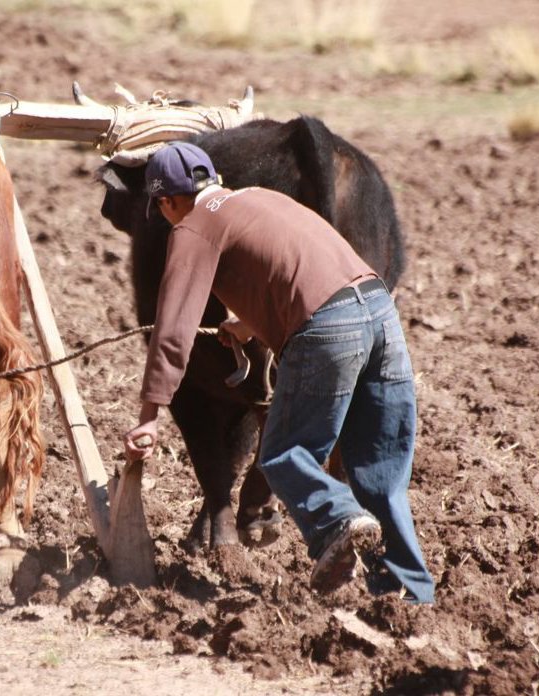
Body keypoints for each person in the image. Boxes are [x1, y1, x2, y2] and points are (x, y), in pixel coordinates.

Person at [123, 141, 435, 603]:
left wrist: (149, 416)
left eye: (163, 209)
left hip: (328, 330)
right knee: (379, 468)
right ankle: (409, 595)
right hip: (380, 315)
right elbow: (302, 267)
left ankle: (338, 521)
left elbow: (173, 331)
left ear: (168, 201)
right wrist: (247, 325)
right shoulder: (262, 199)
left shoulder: (193, 226)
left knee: (284, 453)